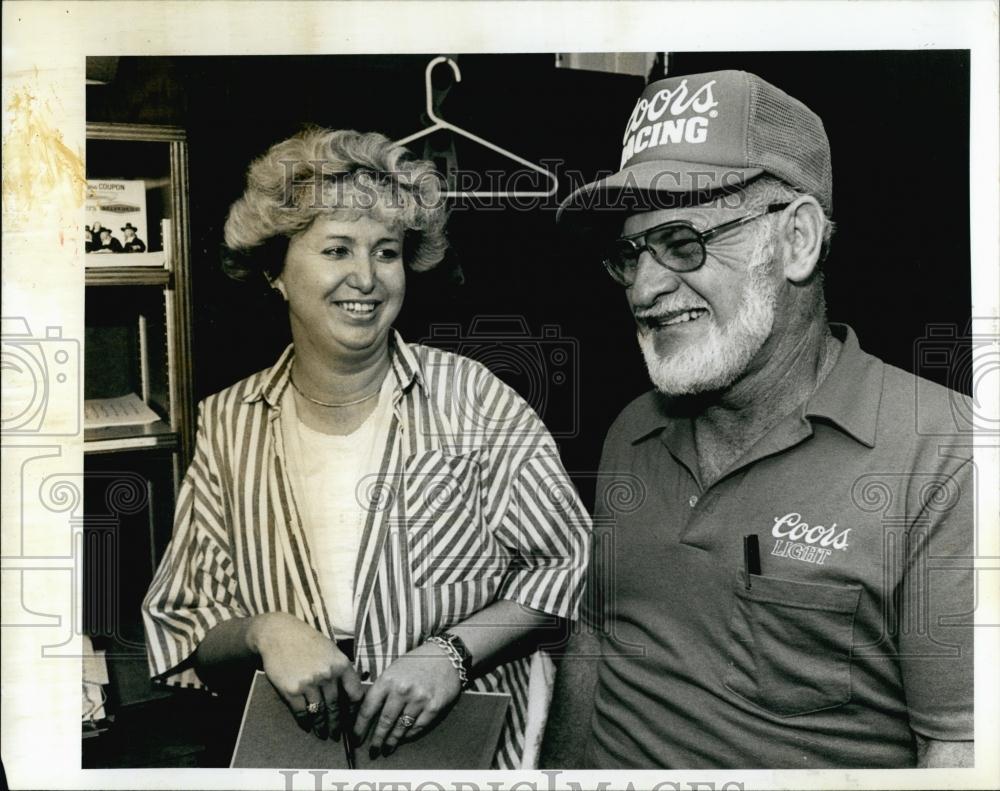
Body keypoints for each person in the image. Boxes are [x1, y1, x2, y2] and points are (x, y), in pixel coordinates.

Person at [542, 70, 974, 769]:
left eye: (684, 242)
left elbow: (961, 754)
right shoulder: (631, 432)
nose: (645, 288)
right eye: (630, 253)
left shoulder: (945, 459)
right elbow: (596, 640)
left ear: (797, 239)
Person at [142, 128, 590, 769]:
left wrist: (452, 653)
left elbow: (570, 566)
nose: (366, 277)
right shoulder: (228, 423)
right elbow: (186, 625)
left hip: (461, 756)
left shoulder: (475, 401)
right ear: (275, 270)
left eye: (386, 251)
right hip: (297, 756)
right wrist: (266, 632)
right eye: (336, 249)